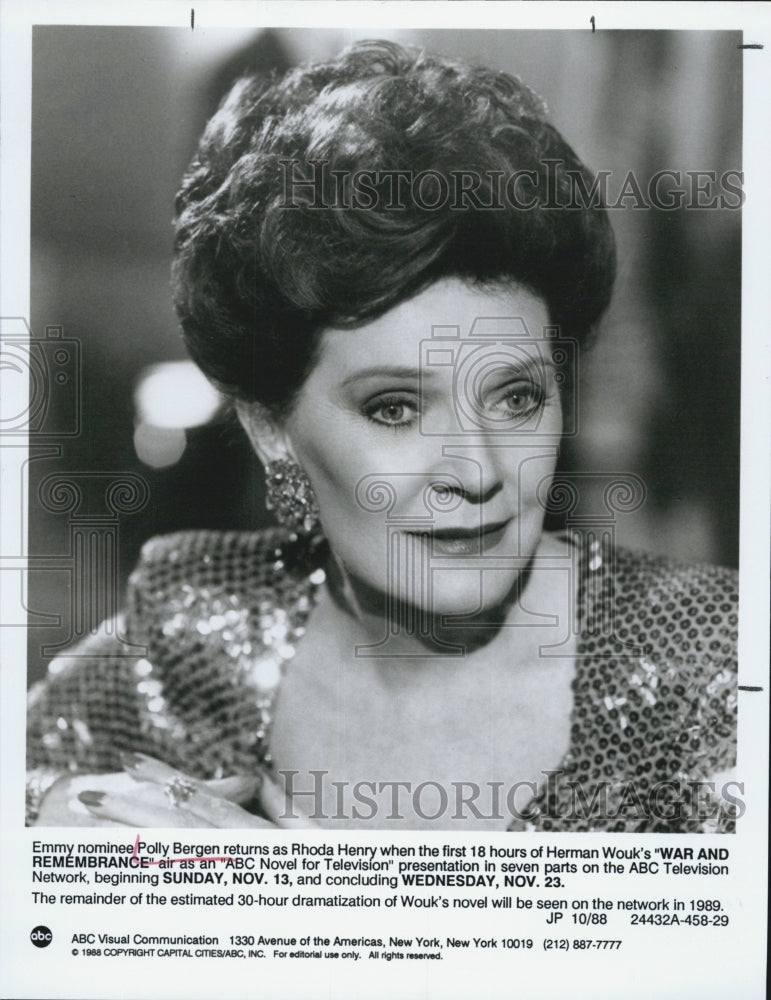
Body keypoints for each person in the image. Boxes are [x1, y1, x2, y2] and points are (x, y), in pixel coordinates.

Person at [26, 40, 738, 832]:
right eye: (395, 408)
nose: (476, 470)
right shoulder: (190, 633)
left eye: (516, 398)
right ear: (271, 428)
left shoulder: (705, 662)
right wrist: (49, 811)